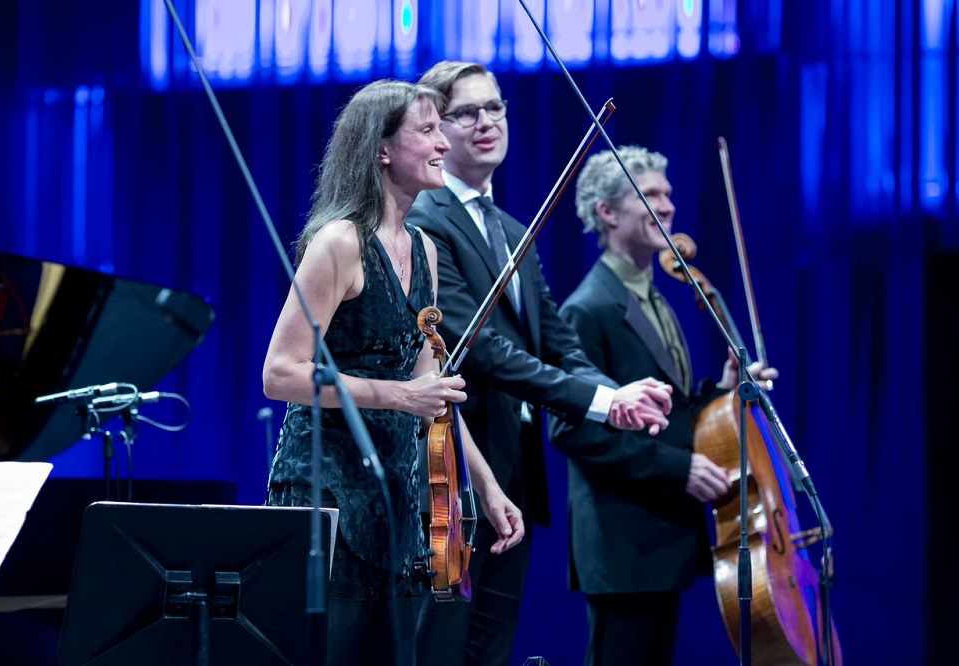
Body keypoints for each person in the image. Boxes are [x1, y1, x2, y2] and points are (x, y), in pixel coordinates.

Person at [406, 61, 675, 666]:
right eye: (466, 112)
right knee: (444, 649)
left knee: (493, 648)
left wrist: (615, 394)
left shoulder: (512, 227)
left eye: (495, 108)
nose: (486, 123)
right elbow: (484, 351)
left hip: (517, 470)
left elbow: (556, 340)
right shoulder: (426, 222)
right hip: (457, 476)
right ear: (437, 130)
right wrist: (605, 402)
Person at [262, 79, 526, 666]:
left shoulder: (425, 249)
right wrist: (397, 394)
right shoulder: (338, 243)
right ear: (381, 150)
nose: (442, 145)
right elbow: (280, 373)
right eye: (428, 131)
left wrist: (485, 487)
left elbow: (432, 396)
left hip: (398, 502)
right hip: (326, 499)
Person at [549, 144, 779, 665]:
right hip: (624, 541)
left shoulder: (654, 298)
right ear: (607, 213)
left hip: (661, 536)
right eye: (649, 195)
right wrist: (679, 468)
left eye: (668, 194)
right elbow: (570, 430)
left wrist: (721, 391)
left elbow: (669, 412)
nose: (668, 206)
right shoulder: (587, 308)